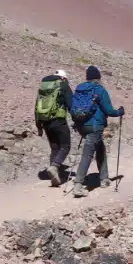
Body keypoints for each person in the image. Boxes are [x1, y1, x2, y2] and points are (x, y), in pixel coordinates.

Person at [69, 65, 124, 198]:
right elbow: (109, 111)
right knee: (87, 154)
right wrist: (120, 112)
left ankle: (104, 178)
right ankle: (78, 185)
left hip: (81, 125)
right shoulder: (100, 90)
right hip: (95, 126)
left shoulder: (79, 89)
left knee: (100, 148)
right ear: (98, 78)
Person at [35, 68, 75, 186]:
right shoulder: (63, 85)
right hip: (59, 120)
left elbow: (36, 106)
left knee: (54, 148)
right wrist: (77, 121)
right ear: (63, 78)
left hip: (45, 122)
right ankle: (54, 167)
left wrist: (39, 126)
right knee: (65, 146)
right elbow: (71, 105)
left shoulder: (43, 87)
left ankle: (54, 175)